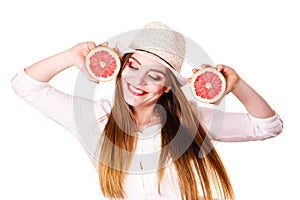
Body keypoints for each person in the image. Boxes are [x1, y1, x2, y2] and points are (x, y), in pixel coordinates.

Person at [11, 22, 283, 200]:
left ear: (167, 87)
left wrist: (236, 85)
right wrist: (71, 56)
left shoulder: (192, 121)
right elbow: (25, 85)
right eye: (133, 67)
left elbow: (268, 126)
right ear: (120, 67)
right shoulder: (94, 119)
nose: (137, 81)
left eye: (154, 76)